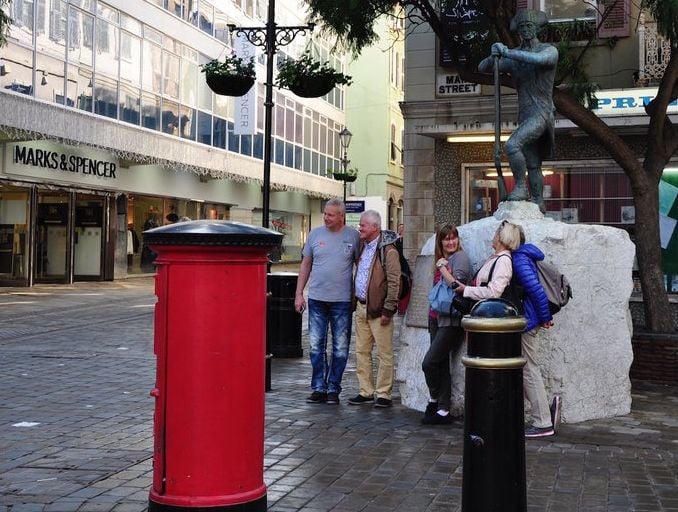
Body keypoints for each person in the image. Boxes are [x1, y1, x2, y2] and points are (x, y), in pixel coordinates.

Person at [478, 9, 558, 211]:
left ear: (537, 28)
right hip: (525, 115)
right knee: (532, 162)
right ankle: (538, 201)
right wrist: (494, 54)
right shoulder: (514, 58)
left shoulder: (548, 51)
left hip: (541, 113)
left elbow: (540, 61)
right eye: (522, 27)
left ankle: (521, 187)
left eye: (529, 26)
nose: (526, 30)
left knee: (513, 145)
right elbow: (483, 68)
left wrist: (508, 52)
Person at [295, 199, 360, 405]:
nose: (326, 217)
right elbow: (305, 265)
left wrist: (360, 295)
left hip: (341, 301)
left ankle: (333, 388)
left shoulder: (354, 236)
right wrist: (299, 294)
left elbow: (362, 266)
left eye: (331, 215)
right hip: (316, 299)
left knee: (340, 347)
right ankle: (318, 388)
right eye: (325, 213)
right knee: (316, 346)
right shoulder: (315, 234)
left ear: (341, 216)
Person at [348, 211, 401, 409]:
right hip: (361, 306)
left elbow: (395, 282)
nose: (359, 228)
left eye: (363, 225)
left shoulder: (388, 251)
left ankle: (384, 393)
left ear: (375, 228)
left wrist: (389, 309)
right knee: (361, 351)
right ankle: (366, 391)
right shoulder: (362, 246)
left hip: (379, 310)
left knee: (384, 353)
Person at [513, 227, 560, 438]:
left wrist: (545, 318)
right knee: (527, 368)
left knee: (528, 369)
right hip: (531, 319)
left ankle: (543, 422)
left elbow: (536, 290)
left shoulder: (520, 259)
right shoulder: (523, 255)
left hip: (529, 321)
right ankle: (545, 414)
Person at [421, 224, 470, 424]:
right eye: (446, 238)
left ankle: (435, 400)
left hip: (452, 319)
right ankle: (441, 408)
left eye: (453, 238)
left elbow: (458, 287)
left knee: (429, 362)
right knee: (440, 364)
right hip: (435, 316)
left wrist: (442, 268)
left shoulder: (460, 258)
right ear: (440, 241)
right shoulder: (441, 259)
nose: (451, 242)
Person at [452, 220, 521, 303]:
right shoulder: (496, 258)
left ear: (500, 237)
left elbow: (493, 293)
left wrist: (466, 290)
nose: (493, 237)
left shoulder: (503, 261)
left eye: (496, 234)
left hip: (492, 313)